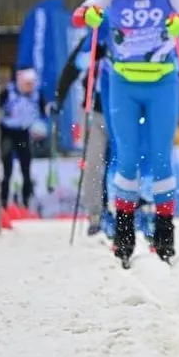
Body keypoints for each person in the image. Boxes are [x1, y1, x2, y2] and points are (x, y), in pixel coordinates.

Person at [72, 0, 179, 265]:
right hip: (123, 83)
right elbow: (81, 15)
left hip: (161, 81)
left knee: (161, 158)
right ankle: (125, 233)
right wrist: (90, 15)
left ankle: (164, 234)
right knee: (127, 158)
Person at [53, 33, 112, 234]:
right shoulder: (96, 35)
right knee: (93, 163)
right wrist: (59, 97)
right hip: (96, 111)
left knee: (124, 164)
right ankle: (96, 214)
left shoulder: (136, 32)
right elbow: (74, 66)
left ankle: (125, 211)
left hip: (127, 114)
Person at [0, 68, 48, 209]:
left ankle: (26, 202)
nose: (29, 87)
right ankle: (3, 203)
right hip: (7, 132)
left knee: (26, 169)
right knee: (7, 170)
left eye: (31, 84)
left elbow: (45, 112)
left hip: (24, 132)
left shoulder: (37, 94)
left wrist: (41, 125)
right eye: (27, 84)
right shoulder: (8, 92)